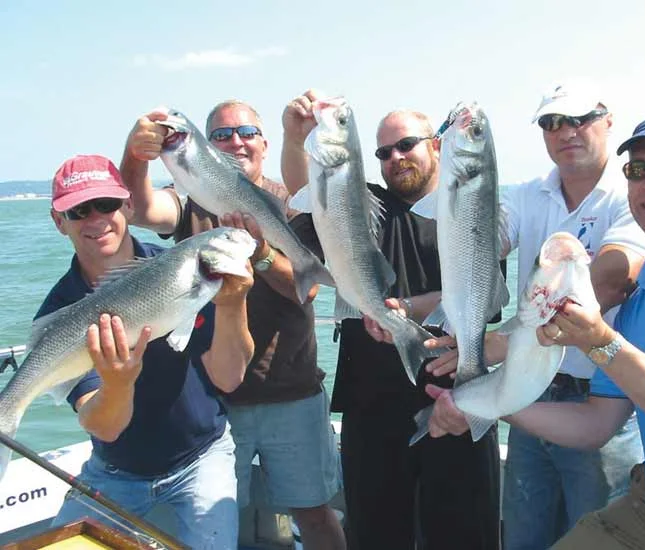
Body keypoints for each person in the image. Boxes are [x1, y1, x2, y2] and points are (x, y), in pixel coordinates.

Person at [429, 111, 645, 548]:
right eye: (638, 170)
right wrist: (482, 405)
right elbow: (595, 424)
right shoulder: (638, 304)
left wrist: (599, 341)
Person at [430, 82, 645, 549]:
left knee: (598, 536)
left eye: (579, 119)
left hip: (603, 399)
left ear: (608, 120)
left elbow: (612, 279)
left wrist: (496, 344)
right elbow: (480, 243)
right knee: (524, 536)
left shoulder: (633, 197)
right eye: (552, 122)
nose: (565, 131)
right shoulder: (527, 195)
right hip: (528, 384)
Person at [121, 100, 346, 550]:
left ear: (265, 142)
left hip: (293, 389)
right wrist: (135, 154)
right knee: (222, 520)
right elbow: (138, 208)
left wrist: (261, 254)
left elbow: (308, 288)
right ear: (206, 145)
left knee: (316, 515)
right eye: (221, 135)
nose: (235, 141)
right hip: (214, 400)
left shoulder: (294, 201)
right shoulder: (190, 198)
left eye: (246, 131)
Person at [281, 90, 501, 550]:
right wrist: (295, 137)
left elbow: (489, 299)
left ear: (437, 146)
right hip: (371, 408)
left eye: (406, 145)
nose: (395, 158)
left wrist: (414, 307)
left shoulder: (470, 209)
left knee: (464, 535)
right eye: (383, 152)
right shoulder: (365, 207)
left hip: (454, 398)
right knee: (376, 535)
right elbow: (312, 199)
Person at [45, 154, 254, 549]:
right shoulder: (61, 311)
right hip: (114, 471)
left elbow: (228, 378)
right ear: (59, 222)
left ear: (127, 205)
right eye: (79, 210)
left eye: (107, 204)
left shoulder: (183, 269)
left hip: (201, 458)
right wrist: (119, 383)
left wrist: (231, 305)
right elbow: (103, 425)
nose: (96, 219)